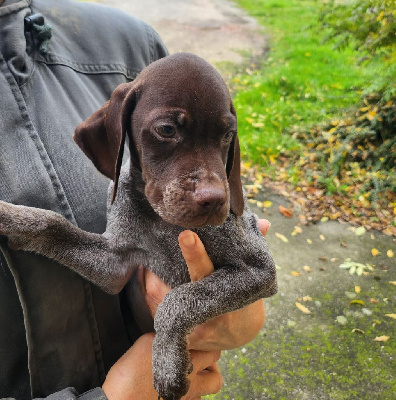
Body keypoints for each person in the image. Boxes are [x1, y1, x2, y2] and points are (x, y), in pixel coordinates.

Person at [0, 0, 270, 399]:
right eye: (166, 130)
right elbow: (114, 261)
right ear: (114, 136)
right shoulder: (127, 188)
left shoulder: (130, 43)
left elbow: (260, 273)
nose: (212, 189)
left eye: (223, 136)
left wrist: (202, 314)